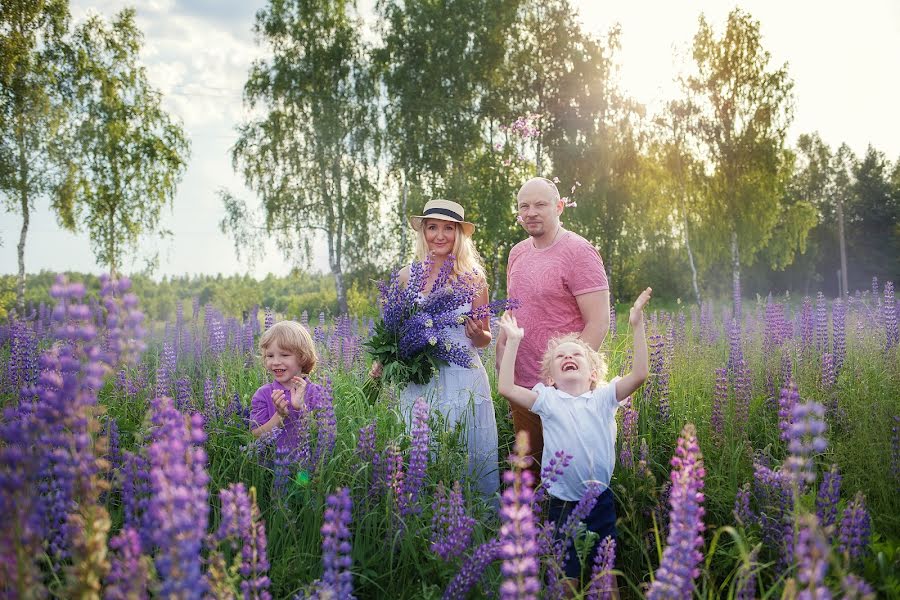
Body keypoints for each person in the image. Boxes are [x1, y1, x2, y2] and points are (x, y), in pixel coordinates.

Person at [497, 287, 651, 588]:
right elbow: (506, 388)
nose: (569, 356)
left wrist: (636, 325)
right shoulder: (548, 399)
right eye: (561, 356)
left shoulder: (605, 398)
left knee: (605, 579)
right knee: (566, 579)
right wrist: (514, 341)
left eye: (577, 354)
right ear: (551, 377)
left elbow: (640, 374)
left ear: (593, 372)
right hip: (562, 504)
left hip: (600, 502)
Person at [371, 199, 499, 500]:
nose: (439, 235)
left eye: (448, 228)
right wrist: (382, 360)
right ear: (423, 232)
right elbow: (392, 330)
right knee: (420, 446)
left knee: (466, 447)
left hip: (463, 375)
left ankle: (468, 518)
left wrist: (477, 333)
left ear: (459, 235)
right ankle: (421, 513)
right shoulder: (406, 277)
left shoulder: (475, 279)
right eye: (432, 228)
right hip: (421, 379)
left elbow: (486, 338)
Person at [496, 176, 611, 478]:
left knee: (571, 472)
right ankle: (530, 524)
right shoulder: (517, 252)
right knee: (529, 467)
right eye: (524, 206)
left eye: (540, 204)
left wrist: (566, 381)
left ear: (559, 207)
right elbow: (514, 308)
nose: (530, 212)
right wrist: (501, 350)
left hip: (565, 391)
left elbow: (598, 321)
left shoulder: (579, 252)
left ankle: (571, 525)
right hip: (523, 386)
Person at [250, 320, 318, 450]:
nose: (275, 362)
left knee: (302, 472)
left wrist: (301, 409)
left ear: (303, 357)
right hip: (270, 467)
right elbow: (255, 435)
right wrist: (279, 416)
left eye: (284, 355)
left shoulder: (316, 392)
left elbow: (323, 432)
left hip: (306, 466)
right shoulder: (263, 394)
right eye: (270, 355)